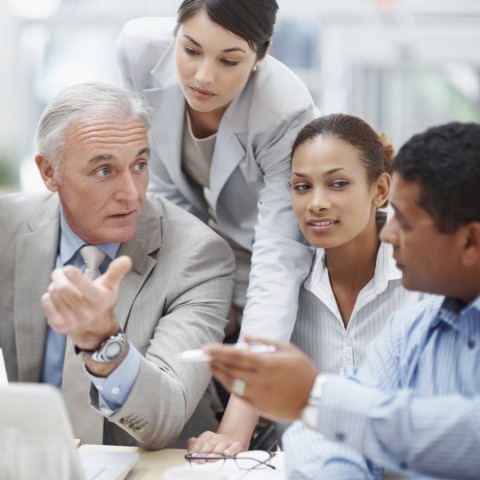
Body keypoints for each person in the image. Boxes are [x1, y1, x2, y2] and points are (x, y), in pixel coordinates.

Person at [207, 121, 480, 479]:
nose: (391, 231)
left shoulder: (416, 302)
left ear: (470, 242)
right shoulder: (411, 330)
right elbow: (324, 437)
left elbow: (465, 437)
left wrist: (315, 397)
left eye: (407, 223)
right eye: (302, 186)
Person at [116, 0, 318, 450]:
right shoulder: (138, 49)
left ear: (262, 54)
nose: (204, 76)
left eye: (229, 60)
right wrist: (200, 280)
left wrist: (235, 427)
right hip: (191, 234)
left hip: (265, 253)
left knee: (265, 425)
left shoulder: (284, 110)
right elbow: (156, 174)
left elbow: (279, 260)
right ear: (175, 34)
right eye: (190, 50)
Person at [0, 81, 235, 450]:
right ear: (49, 173)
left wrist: (103, 343)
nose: (132, 193)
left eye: (139, 165)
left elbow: (165, 418)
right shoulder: (7, 228)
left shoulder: (199, 255)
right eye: (104, 171)